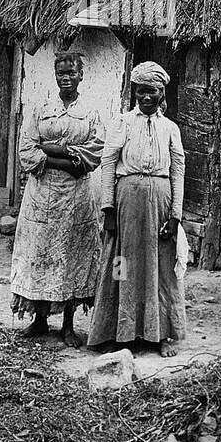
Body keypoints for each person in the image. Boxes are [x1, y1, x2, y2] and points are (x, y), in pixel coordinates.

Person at [90, 60, 187, 358]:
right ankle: (121, 333)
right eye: (142, 92)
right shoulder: (122, 123)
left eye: (153, 93)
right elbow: (108, 164)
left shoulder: (169, 128)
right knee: (122, 264)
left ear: (161, 94)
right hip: (126, 199)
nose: (147, 98)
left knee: (158, 266)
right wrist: (108, 209)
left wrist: (175, 216)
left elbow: (178, 171)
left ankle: (158, 335)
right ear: (134, 92)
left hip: (160, 200)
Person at [9, 51, 104, 347]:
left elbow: (94, 151)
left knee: (73, 256)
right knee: (40, 254)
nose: (65, 77)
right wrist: (65, 158)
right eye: (60, 72)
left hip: (77, 197)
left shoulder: (90, 112)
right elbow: (26, 148)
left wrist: (51, 150)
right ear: (55, 75)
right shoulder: (42, 108)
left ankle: (67, 326)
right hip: (41, 195)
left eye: (71, 72)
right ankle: (39, 320)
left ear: (80, 76)